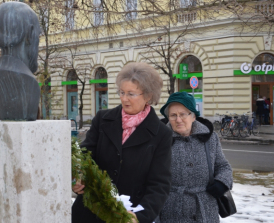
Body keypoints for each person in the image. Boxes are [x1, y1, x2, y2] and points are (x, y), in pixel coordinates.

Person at [72, 62, 173, 223]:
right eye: (122, 92)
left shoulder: (161, 134)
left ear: (148, 96)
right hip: (89, 213)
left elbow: (159, 185)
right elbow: (83, 155)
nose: (124, 99)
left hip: (127, 215)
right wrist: (78, 178)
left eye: (131, 94)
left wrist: (140, 216)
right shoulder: (103, 119)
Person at [157, 92, 233, 222]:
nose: (178, 120)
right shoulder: (159, 140)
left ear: (193, 116)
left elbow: (223, 166)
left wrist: (221, 183)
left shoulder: (210, 137)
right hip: (171, 211)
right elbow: (151, 180)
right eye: (173, 115)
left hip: (205, 210)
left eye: (183, 114)